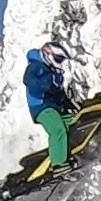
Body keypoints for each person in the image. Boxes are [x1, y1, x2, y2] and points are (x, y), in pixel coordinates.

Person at [23, 40, 77, 172]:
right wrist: (47, 81)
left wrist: (71, 105)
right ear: (48, 54)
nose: (60, 63)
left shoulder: (52, 72)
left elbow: (59, 94)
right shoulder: (37, 66)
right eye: (58, 59)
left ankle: (72, 153)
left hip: (54, 108)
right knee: (57, 129)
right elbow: (29, 81)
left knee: (76, 121)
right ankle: (58, 164)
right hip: (41, 107)